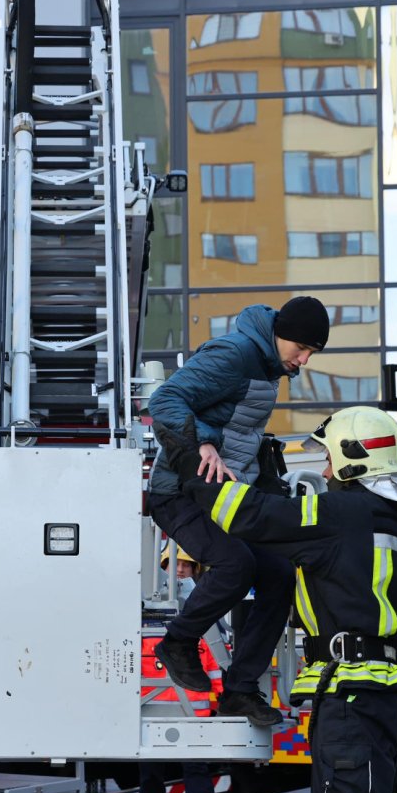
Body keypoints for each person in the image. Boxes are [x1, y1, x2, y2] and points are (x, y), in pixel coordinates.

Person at [156, 406, 397, 793]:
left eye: (327, 459)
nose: (323, 472)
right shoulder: (386, 515)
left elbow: (248, 515)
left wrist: (188, 458)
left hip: (352, 699)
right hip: (368, 694)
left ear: (352, 457)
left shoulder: (343, 514)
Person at [147, 297, 330, 726]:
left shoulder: (269, 365)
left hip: (225, 495)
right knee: (236, 565)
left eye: (311, 353)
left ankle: (240, 690)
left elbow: (238, 429)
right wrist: (204, 440)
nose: (303, 360)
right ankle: (177, 642)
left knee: (279, 575)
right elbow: (165, 401)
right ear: (279, 333)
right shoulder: (236, 354)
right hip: (178, 494)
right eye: (301, 348)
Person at [140, 546, 229, 793]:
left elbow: (213, 664)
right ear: (160, 567)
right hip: (151, 712)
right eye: (174, 564)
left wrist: (220, 702)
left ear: (196, 572)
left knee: (196, 770)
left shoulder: (203, 620)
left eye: (187, 566)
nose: (180, 570)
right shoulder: (143, 617)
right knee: (151, 776)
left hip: (192, 713)